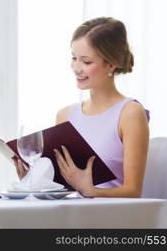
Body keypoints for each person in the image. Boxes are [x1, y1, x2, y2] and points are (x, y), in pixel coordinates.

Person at [14, 17, 149, 198]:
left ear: (111, 63)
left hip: (113, 217)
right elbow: (61, 185)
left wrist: (92, 191)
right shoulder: (65, 115)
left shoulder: (130, 113)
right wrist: (32, 181)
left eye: (86, 62)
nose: (76, 68)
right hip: (74, 214)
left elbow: (133, 191)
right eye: (74, 58)